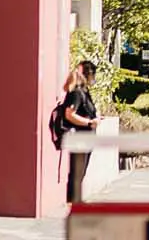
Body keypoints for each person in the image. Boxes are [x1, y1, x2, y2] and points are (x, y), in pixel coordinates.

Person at [54, 59, 101, 205]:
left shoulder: (84, 92)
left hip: (86, 137)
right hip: (80, 136)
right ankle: (73, 200)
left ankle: (76, 199)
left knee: (81, 170)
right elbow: (69, 114)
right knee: (77, 170)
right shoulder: (77, 93)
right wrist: (89, 122)